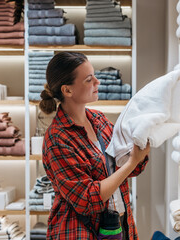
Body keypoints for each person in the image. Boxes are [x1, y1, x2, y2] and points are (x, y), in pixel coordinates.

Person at [39, 51, 150, 240]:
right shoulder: (57, 139)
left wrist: (140, 146)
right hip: (78, 232)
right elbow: (87, 199)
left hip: (118, 227)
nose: (97, 82)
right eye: (89, 79)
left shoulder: (99, 120)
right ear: (67, 90)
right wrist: (132, 162)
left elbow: (130, 166)